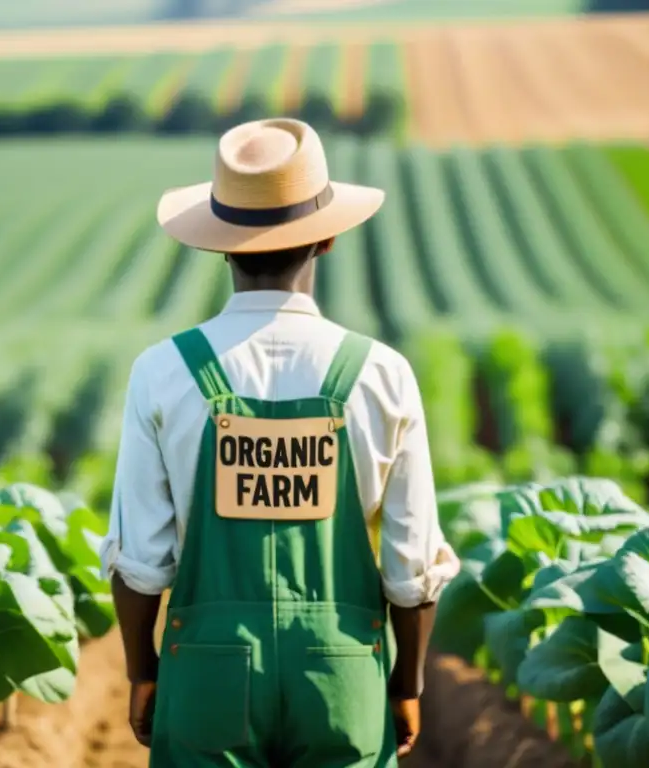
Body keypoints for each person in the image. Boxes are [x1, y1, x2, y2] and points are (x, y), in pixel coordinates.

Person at [100, 117, 460, 768]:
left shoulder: (163, 371)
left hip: (205, 673)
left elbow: (140, 561)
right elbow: (413, 573)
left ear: (219, 244)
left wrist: (143, 672)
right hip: (342, 673)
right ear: (325, 240)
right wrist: (406, 685)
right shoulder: (381, 373)